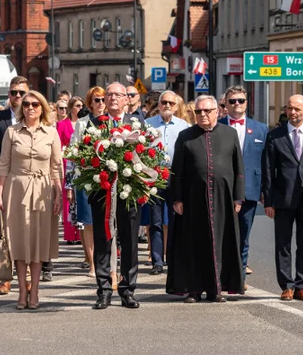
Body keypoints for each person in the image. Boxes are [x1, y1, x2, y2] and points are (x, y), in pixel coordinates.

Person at [166, 94, 245, 302]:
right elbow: (177, 171)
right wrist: (177, 199)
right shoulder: (186, 136)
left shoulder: (229, 134)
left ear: (217, 112)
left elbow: (238, 168)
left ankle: (216, 289)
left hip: (223, 198)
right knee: (193, 244)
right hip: (193, 200)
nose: (202, 115)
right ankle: (193, 289)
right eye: (198, 111)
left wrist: (238, 198)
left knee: (221, 243)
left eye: (207, 111)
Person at [0, 89, 62, 310]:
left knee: (39, 240)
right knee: (19, 240)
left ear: (42, 107)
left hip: (43, 189)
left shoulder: (51, 133)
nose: (30, 108)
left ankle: (35, 290)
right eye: (26, 104)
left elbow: (56, 166)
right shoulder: (12, 132)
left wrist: (59, 194)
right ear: (21, 108)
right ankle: (22, 291)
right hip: (17, 188)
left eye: (35, 104)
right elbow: (3, 163)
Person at [261, 94, 303, 302]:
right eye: (290, 108)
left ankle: (302, 285)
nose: (293, 112)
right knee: (283, 243)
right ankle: (287, 286)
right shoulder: (275, 136)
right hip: (283, 198)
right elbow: (268, 171)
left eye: (297, 109)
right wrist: (269, 201)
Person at [89, 83, 142, 309]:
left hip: (130, 192)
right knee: (103, 240)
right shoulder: (92, 125)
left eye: (117, 95)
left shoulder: (138, 125)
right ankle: (103, 290)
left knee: (129, 241)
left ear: (126, 100)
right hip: (102, 191)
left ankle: (128, 290)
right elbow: (83, 157)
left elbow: (149, 159)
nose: (112, 98)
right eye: (108, 94)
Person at [219, 86, 269, 281]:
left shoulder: (260, 128)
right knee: (222, 236)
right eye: (232, 101)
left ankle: (239, 279)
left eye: (240, 100)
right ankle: (221, 276)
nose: (236, 104)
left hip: (249, 190)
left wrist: (265, 190)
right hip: (222, 190)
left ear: (247, 103)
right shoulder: (219, 125)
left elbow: (265, 162)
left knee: (243, 236)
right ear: (226, 105)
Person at [0, 76, 28, 293]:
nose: (17, 96)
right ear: (8, 95)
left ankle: (27, 275)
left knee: (27, 229)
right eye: (13, 92)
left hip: (28, 183)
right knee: (5, 230)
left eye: (21, 92)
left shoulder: (33, 116)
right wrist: (3, 172)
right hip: (3, 182)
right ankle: (5, 277)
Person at [144, 91, 188, 275]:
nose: (167, 105)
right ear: (159, 105)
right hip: (155, 175)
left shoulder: (184, 126)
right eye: (164, 102)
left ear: (176, 106)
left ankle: (173, 258)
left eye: (171, 103)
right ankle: (157, 261)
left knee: (175, 219)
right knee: (155, 221)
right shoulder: (148, 125)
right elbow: (142, 150)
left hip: (176, 175)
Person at [71, 86, 105, 272]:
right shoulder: (82, 123)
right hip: (86, 176)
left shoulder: (111, 121)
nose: (101, 103)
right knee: (88, 222)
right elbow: (74, 148)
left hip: (107, 177)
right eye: (97, 100)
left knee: (107, 221)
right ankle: (92, 263)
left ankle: (106, 261)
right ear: (90, 103)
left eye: (103, 99)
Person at [55, 97, 79, 244]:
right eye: (77, 105)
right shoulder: (62, 124)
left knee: (80, 199)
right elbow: (57, 144)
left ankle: (80, 232)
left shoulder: (84, 123)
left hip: (81, 163)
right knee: (68, 199)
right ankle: (71, 234)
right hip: (66, 163)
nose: (80, 108)